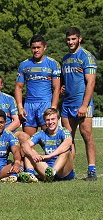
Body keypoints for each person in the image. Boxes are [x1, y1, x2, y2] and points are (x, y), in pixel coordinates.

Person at [61, 27, 98, 181]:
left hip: (83, 104)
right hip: (67, 104)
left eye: (73, 39)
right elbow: (67, 80)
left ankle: (92, 170)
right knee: (68, 139)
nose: (70, 42)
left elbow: (91, 83)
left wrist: (84, 105)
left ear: (79, 39)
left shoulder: (87, 57)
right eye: (68, 39)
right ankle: (69, 171)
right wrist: (64, 87)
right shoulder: (65, 58)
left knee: (87, 135)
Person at [15, 34, 61, 139]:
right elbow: (18, 87)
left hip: (46, 105)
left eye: (38, 47)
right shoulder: (24, 65)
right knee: (28, 141)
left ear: (44, 47)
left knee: (50, 141)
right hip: (29, 106)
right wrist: (20, 107)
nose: (36, 50)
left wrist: (53, 107)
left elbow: (56, 88)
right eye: (33, 48)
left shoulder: (53, 64)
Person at [21, 108, 74, 182]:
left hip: (64, 171)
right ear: (45, 121)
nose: (50, 122)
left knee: (66, 151)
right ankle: (31, 175)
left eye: (53, 119)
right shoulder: (41, 133)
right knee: (28, 151)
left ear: (58, 120)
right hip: (47, 168)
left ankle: (53, 172)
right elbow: (25, 145)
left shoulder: (64, 131)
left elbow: (68, 143)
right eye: (48, 120)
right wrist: (33, 155)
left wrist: (50, 156)